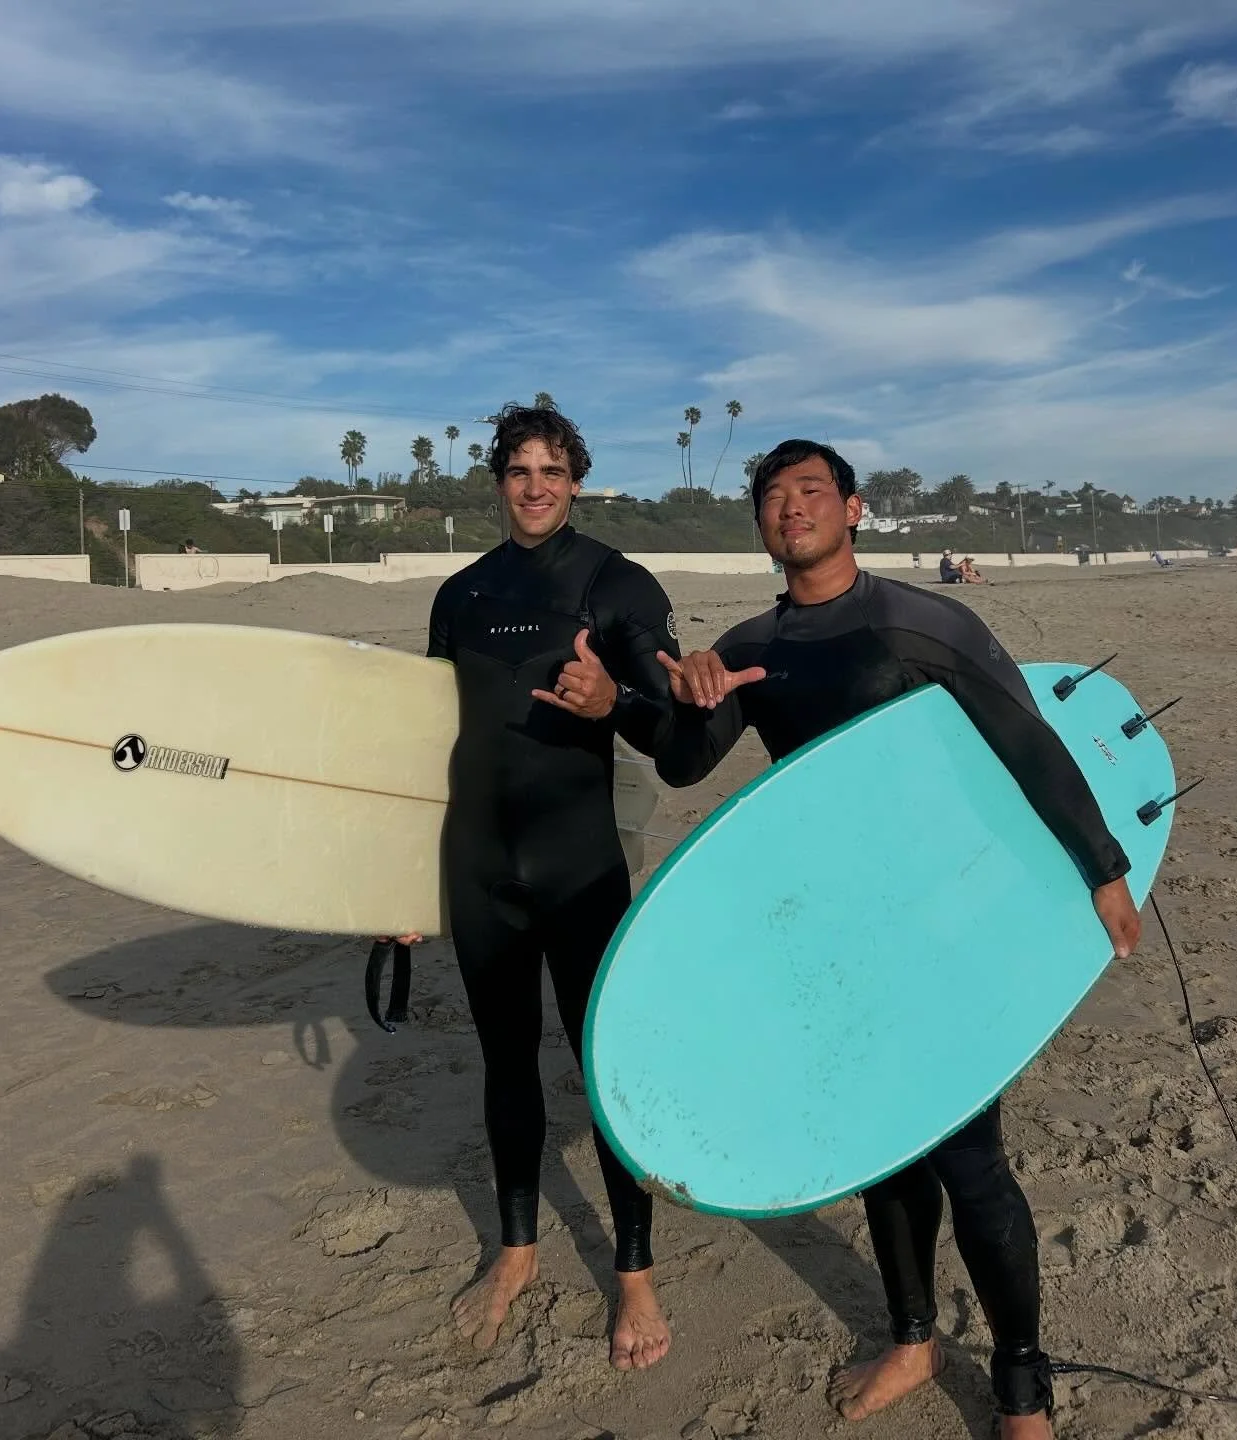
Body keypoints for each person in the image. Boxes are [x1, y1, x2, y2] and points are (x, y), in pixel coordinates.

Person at [647, 440, 1143, 1438]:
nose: (793, 507)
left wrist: (1103, 866)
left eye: (811, 490)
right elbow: (684, 767)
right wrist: (676, 699)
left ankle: (1020, 1387)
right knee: (881, 1147)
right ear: (759, 523)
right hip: (834, 935)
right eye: (775, 495)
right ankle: (913, 1341)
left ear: (854, 509)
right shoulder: (751, 643)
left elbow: (1024, 739)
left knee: (971, 1161)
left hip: (941, 928)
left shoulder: (922, 620)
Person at [388, 402, 678, 1370]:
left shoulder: (615, 583)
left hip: (580, 868)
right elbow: (426, 746)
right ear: (500, 480)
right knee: (505, 1066)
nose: (537, 485)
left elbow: (672, 731)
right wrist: (393, 886)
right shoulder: (460, 596)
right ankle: (517, 1251)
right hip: (479, 873)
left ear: (578, 479)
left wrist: (617, 702)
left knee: (609, 1075)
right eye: (520, 470)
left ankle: (633, 1273)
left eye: (554, 470)